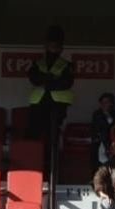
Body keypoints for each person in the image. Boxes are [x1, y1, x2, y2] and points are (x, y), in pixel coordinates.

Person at [25, 25, 74, 154]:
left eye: (56, 44)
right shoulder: (38, 63)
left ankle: (50, 163)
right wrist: (51, 79)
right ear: (46, 45)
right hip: (38, 103)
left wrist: (45, 82)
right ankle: (34, 161)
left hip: (57, 105)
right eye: (51, 44)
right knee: (34, 132)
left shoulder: (66, 65)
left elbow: (66, 83)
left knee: (52, 135)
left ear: (61, 47)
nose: (53, 47)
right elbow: (33, 78)